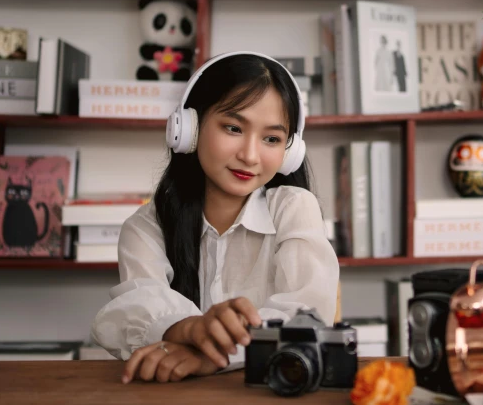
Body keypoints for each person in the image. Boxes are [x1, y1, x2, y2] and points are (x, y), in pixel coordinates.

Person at [91, 52, 339, 384]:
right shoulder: (147, 225)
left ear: (289, 153)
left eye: (271, 139)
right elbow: (134, 308)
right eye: (233, 127)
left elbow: (306, 314)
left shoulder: (295, 207)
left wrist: (211, 355)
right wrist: (190, 330)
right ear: (188, 128)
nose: (250, 155)